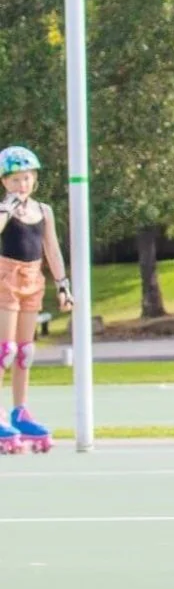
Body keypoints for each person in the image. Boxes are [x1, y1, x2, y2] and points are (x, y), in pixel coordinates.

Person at [0, 147, 72, 454]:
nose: (21, 185)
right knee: (6, 350)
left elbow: (52, 250)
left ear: (35, 180)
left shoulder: (43, 211)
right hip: (5, 276)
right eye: (15, 179)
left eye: (26, 178)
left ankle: (20, 411)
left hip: (33, 279)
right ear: (4, 181)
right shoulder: (3, 209)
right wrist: (7, 207)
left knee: (25, 352)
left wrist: (63, 284)